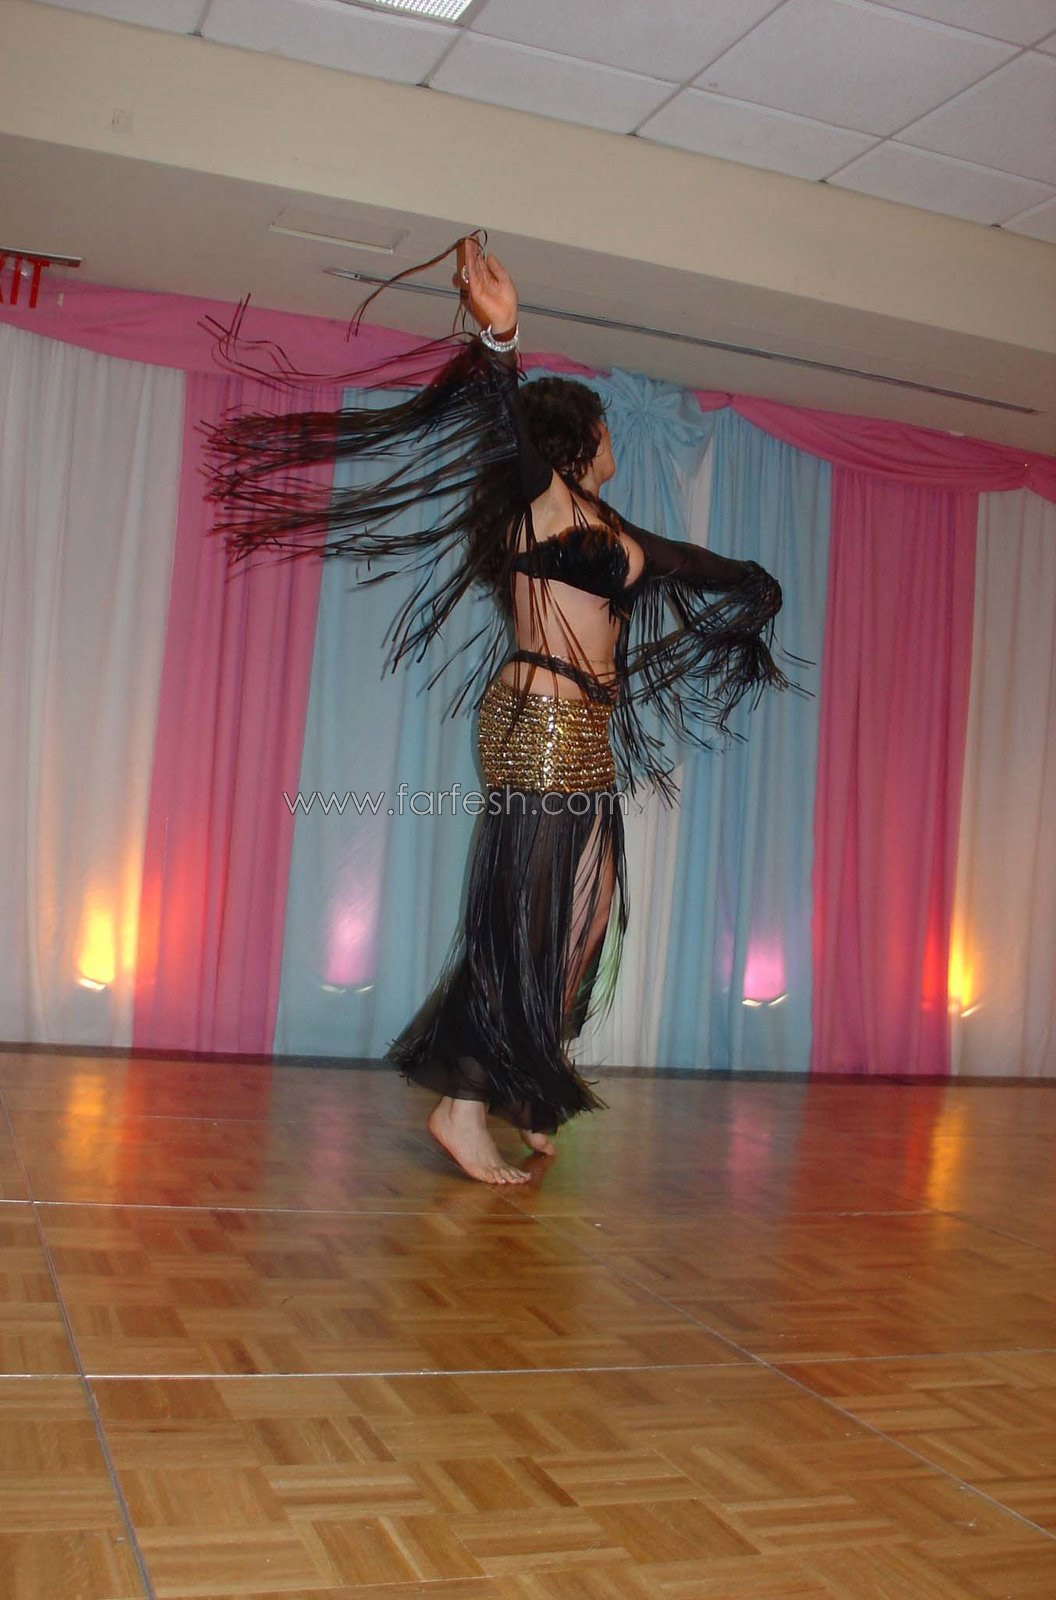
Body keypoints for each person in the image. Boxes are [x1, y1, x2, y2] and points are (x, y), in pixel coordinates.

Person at [203, 235, 809, 1185]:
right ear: (578, 439)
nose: (613, 439)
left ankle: (526, 1086)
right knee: (528, 923)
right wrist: (502, 340)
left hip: (580, 733)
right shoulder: (544, 504)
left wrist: (755, 582)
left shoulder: (608, 527)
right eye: (603, 426)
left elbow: (690, 563)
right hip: (541, 726)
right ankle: (462, 1103)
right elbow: (502, 423)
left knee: (585, 917)